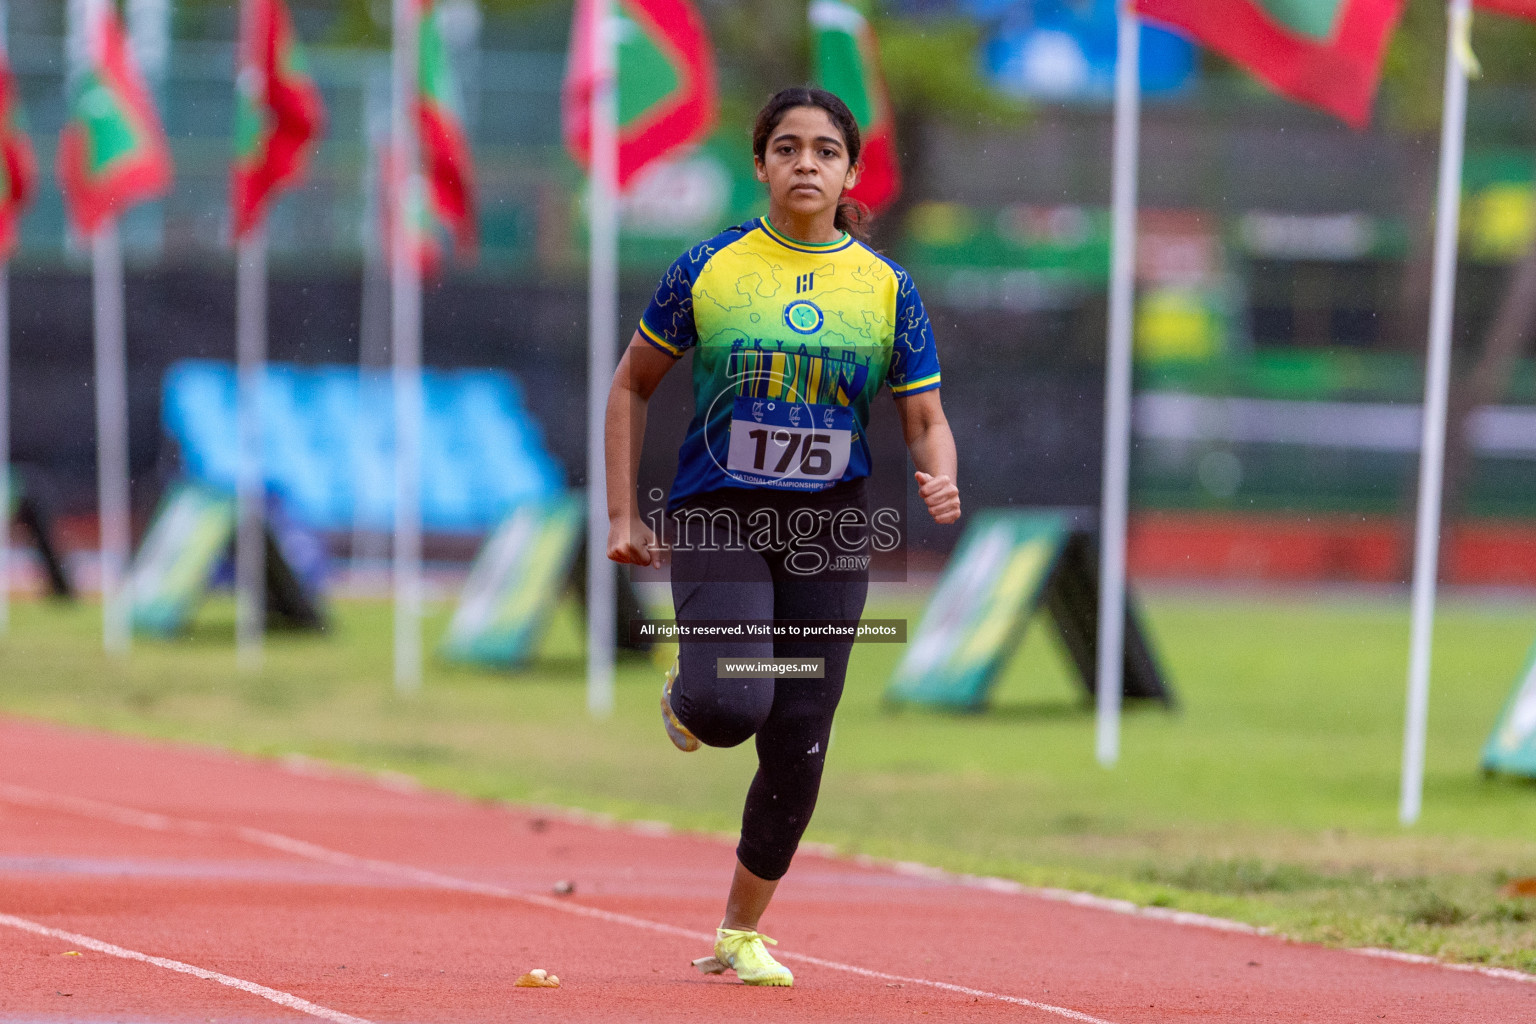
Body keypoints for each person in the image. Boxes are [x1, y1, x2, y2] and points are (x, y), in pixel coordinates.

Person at [604, 86, 959, 988]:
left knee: (800, 727)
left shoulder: (885, 288)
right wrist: (623, 514)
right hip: (720, 517)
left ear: (850, 172)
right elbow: (632, 385)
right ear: (760, 164)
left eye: (826, 150)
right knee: (732, 705)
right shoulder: (708, 268)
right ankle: (689, 700)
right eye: (789, 148)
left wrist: (940, 469)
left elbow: (925, 417)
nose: (807, 163)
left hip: (828, 533)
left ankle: (739, 930)